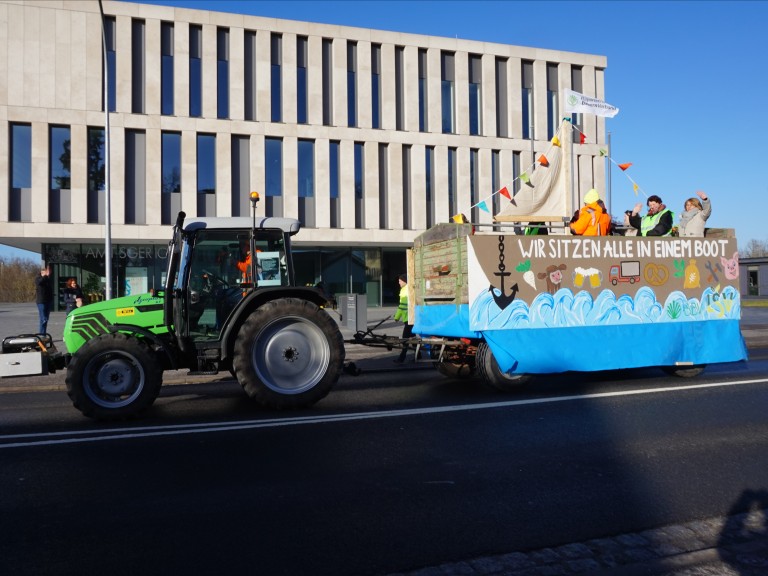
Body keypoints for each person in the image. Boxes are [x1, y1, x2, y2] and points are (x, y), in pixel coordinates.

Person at [393, 274, 419, 363]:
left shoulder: (405, 291)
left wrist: (396, 317)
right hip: (409, 317)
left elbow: (402, 306)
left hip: (409, 318)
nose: (398, 282)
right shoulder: (405, 289)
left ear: (404, 281)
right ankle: (418, 355)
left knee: (405, 339)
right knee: (413, 338)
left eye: (400, 280)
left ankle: (401, 358)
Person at [35, 266, 53, 334]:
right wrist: (45, 276)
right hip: (41, 301)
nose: (48, 274)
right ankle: (42, 334)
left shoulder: (47, 279)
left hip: (48, 301)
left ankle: (43, 333)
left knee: (46, 319)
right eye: (46, 273)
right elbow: (40, 283)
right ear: (42, 272)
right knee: (43, 318)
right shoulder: (38, 278)